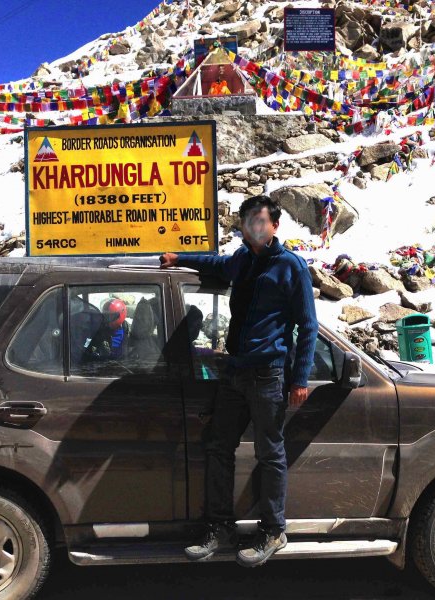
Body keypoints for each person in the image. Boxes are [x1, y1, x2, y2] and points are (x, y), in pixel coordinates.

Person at [160, 194, 317, 568]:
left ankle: (273, 530)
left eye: (261, 221)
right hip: (235, 373)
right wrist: (179, 257)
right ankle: (220, 525)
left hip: (269, 374)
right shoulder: (243, 260)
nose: (254, 227)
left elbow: (308, 326)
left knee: (270, 455)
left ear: (275, 226)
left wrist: (300, 379)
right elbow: (218, 264)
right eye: (248, 221)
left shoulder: (292, 267)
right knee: (218, 447)